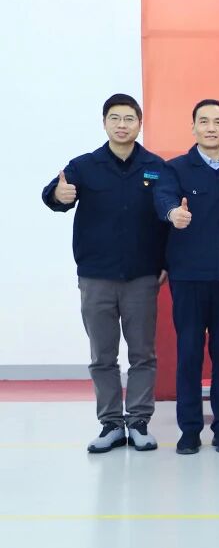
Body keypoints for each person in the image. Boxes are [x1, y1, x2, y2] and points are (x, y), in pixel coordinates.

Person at [42, 93, 167, 453]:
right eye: (115, 118)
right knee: (103, 356)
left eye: (129, 118)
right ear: (104, 123)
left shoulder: (156, 166)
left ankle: (139, 421)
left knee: (142, 354)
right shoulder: (84, 166)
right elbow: (53, 194)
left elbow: (169, 215)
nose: (122, 125)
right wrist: (58, 194)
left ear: (139, 123)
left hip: (142, 276)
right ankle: (111, 423)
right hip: (96, 277)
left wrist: (166, 264)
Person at [154, 98, 219, 455]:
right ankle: (190, 430)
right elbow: (162, 198)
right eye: (203, 121)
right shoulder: (175, 169)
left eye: (218, 121)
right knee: (189, 354)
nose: (211, 127)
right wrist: (172, 213)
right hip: (188, 278)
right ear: (193, 127)